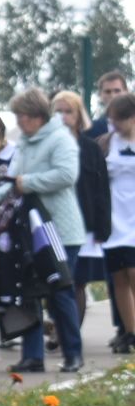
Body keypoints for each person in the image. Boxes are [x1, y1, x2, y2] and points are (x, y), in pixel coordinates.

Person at [0, 88, 84, 372]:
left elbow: (67, 175)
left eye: (22, 116)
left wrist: (28, 182)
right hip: (28, 232)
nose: (19, 122)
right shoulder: (24, 143)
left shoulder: (61, 140)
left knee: (60, 293)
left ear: (38, 116)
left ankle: (73, 353)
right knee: (29, 293)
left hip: (61, 231)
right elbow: (14, 178)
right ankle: (33, 356)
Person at [55, 89, 112, 333]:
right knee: (55, 281)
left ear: (79, 116)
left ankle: (70, 335)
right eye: (58, 112)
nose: (63, 117)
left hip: (85, 225)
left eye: (69, 112)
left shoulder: (90, 149)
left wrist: (102, 226)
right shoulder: (48, 147)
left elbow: (101, 189)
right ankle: (58, 327)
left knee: (77, 282)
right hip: (54, 224)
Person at [100, 92, 135, 354]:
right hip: (114, 216)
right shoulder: (106, 142)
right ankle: (130, 331)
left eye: (119, 120)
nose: (115, 126)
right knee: (118, 276)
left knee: (133, 273)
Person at [90, 71, 128, 141]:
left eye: (117, 91)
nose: (113, 95)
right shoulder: (91, 129)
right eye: (108, 92)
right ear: (100, 95)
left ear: (126, 92)